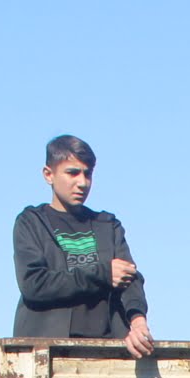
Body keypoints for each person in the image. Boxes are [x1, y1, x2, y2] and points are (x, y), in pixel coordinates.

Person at [11, 135, 152, 357]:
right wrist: (102, 273)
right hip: (47, 352)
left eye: (88, 174)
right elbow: (34, 285)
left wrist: (138, 320)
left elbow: (130, 279)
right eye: (72, 173)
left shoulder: (107, 225)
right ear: (49, 174)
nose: (82, 182)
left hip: (109, 350)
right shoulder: (31, 222)